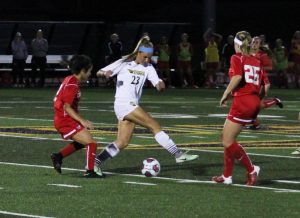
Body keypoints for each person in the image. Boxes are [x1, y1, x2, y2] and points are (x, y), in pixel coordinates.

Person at [94, 35, 199, 174]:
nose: (147, 60)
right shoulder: (124, 62)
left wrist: (161, 85)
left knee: (122, 142)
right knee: (153, 125)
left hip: (130, 105)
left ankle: (95, 163)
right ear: (138, 52)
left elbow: (157, 84)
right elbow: (98, 72)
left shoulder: (148, 67)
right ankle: (178, 155)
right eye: (145, 56)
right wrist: (104, 73)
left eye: (149, 57)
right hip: (123, 103)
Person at [212, 31, 263, 186]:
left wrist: (226, 93)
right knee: (228, 138)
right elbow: (260, 85)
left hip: (242, 101)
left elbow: (237, 77)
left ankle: (251, 169)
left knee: (226, 140)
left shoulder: (236, 57)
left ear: (237, 44)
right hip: (253, 101)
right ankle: (227, 175)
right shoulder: (255, 59)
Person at [50, 55, 104, 178]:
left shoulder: (70, 79)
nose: (90, 73)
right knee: (91, 143)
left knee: (83, 142)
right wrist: (83, 121)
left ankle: (58, 156)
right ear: (83, 70)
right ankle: (90, 171)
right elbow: (67, 107)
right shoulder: (72, 85)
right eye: (89, 70)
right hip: (65, 120)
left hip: (65, 118)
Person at [247, 36, 283, 130]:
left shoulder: (262, 55)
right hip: (250, 83)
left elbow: (270, 67)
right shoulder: (246, 54)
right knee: (256, 105)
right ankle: (275, 100)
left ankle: (256, 124)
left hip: (260, 83)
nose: (254, 44)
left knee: (254, 105)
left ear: (260, 45)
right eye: (253, 42)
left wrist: (258, 67)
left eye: (257, 42)